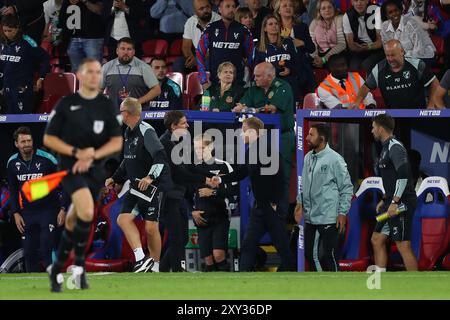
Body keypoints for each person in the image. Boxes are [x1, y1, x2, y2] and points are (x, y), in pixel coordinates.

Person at [44, 58, 123, 292]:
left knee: (76, 216)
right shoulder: (67, 104)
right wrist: (77, 153)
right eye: (89, 72)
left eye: (98, 72)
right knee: (87, 211)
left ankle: (58, 265)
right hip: (70, 166)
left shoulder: (106, 105)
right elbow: (49, 138)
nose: (94, 76)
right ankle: (78, 267)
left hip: (94, 170)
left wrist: (92, 155)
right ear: (78, 75)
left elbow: (116, 142)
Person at [210, 117, 293, 271]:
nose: (241, 135)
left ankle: (291, 271)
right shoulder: (252, 150)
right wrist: (221, 180)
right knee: (249, 243)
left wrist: (274, 202)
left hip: (270, 206)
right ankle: (243, 276)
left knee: (281, 244)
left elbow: (280, 177)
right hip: (260, 207)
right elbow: (243, 172)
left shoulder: (267, 150)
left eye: (244, 132)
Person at [106, 97, 172, 273]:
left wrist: (150, 177)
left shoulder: (146, 131)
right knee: (123, 219)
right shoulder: (128, 131)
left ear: (127, 113)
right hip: (137, 186)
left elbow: (160, 156)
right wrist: (115, 178)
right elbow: (127, 160)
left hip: (152, 186)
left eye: (120, 111)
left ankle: (155, 266)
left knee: (151, 227)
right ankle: (142, 259)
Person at [6, 127, 66, 272]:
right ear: (16, 144)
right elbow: (13, 191)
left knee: (46, 247)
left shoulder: (48, 160)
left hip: (49, 210)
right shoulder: (12, 163)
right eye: (23, 141)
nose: (27, 144)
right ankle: (33, 287)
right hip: (27, 212)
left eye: (29, 140)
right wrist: (16, 213)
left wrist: (63, 209)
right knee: (29, 252)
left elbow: (64, 185)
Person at [294, 123, 353, 271]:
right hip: (311, 217)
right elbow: (304, 185)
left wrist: (342, 213)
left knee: (328, 255)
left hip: (329, 217)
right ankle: (320, 287)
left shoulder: (335, 159)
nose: (307, 138)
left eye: (311, 135)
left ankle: (335, 288)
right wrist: (299, 204)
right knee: (309, 255)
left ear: (322, 138)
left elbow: (346, 188)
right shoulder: (308, 157)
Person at [159, 111, 213, 272]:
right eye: (184, 123)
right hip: (168, 197)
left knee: (182, 237)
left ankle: (162, 271)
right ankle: (177, 270)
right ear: (173, 126)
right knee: (176, 238)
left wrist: (210, 176)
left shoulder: (178, 142)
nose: (187, 125)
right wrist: (204, 180)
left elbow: (189, 167)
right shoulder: (166, 144)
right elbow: (178, 173)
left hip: (178, 196)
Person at [234, 62, 295, 192]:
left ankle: (280, 210)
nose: (254, 78)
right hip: (260, 138)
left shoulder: (283, 86)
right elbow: (240, 108)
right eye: (254, 76)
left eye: (258, 76)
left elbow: (271, 109)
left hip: (281, 136)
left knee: (281, 174)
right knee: (257, 173)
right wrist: (246, 109)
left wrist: (250, 109)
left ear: (270, 76)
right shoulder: (253, 89)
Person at [370, 114, 418, 271]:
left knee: (403, 245)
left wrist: (394, 202)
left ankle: (420, 287)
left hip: (401, 204)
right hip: (391, 202)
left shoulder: (395, 147)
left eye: (373, 127)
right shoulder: (385, 148)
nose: (372, 130)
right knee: (376, 239)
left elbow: (403, 177)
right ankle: (380, 281)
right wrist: (385, 199)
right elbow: (391, 177)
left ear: (381, 129)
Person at [191, 133, 239, 271]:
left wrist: (213, 192)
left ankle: (228, 288)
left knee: (218, 255)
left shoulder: (224, 166)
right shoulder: (193, 168)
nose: (198, 151)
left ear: (210, 147)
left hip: (220, 216)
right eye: (196, 148)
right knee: (208, 259)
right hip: (201, 218)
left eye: (201, 148)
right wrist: (192, 211)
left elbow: (234, 190)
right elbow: (186, 194)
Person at [353, 39, 439, 109]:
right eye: (387, 55)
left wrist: (431, 105)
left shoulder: (417, 64)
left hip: (417, 114)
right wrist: (356, 102)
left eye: (393, 55)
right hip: (393, 116)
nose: (390, 59)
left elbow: (434, 83)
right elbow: (365, 87)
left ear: (402, 51)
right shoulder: (379, 69)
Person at [196, 0, 254, 90]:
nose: (231, 9)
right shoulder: (210, 29)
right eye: (227, 6)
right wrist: (203, 80)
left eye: (233, 6)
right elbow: (200, 53)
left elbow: (251, 56)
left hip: (238, 84)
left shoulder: (244, 30)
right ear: (220, 9)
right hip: (216, 83)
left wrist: (250, 78)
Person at [0, 14, 50, 114]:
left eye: (10, 31)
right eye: (5, 31)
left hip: (23, 89)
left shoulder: (28, 41)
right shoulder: (2, 43)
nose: (7, 34)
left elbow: (45, 57)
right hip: (6, 90)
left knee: (22, 120)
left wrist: (41, 77)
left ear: (17, 28)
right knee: (8, 123)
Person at [101, 37, 161, 111]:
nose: (126, 52)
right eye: (123, 49)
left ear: (134, 52)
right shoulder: (107, 67)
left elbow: (156, 90)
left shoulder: (144, 67)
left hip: (138, 113)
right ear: (117, 51)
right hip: (114, 114)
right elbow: (98, 89)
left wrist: (137, 102)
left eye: (129, 49)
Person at [254, 15, 303, 102]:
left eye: (276, 24)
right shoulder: (259, 48)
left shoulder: (288, 42)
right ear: (265, 28)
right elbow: (256, 71)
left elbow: (298, 63)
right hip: (270, 85)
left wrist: (290, 69)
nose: (274, 26)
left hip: (289, 82)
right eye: (270, 24)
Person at [273, 0, 316, 93]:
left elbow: (312, 48)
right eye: (284, 6)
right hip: (281, 63)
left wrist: (302, 43)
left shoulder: (302, 26)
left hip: (300, 64)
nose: (288, 8)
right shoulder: (274, 27)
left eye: (290, 6)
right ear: (278, 11)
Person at [381, 0, 436, 66]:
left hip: (424, 56)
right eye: (390, 12)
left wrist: (402, 55)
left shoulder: (411, 24)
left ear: (401, 10)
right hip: (400, 58)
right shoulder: (385, 27)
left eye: (396, 10)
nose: (394, 14)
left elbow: (419, 50)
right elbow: (387, 48)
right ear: (386, 15)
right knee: (383, 65)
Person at [58, 0, 105, 72]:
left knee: (93, 70)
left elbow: (101, 10)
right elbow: (61, 18)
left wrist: (85, 1)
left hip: (92, 38)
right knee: (76, 71)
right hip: (72, 38)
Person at [176, 0, 221, 74]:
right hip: (198, 55)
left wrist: (197, 60)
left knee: (207, 63)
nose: (205, 10)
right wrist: (190, 58)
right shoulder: (190, 22)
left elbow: (215, 48)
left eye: (207, 7)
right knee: (179, 64)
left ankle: (207, 85)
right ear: (195, 12)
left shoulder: (219, 21)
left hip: (214, 56)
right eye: (201, 9)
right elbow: (186, 47)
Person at [343, 0, 385, 71]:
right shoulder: (347, 16)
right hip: (359, 50)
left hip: (377, 49)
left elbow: (380, 42)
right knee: (353, 68)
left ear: (367, 1)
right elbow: (351, 45)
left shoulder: (376, 10)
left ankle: (370, 82)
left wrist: (368, 47)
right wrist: (357, 48)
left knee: (366, 65)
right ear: (352, 2)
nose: (359, 3)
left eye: (362, 0)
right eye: (356, 1)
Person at [309, 0, 346, 68]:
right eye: (323, 8)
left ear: (334, 9)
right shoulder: (314, 22)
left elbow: (342, 44)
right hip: (319, 55)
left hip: (337, 53)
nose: (327, 10)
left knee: (334, 62)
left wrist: (324, 59)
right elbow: (312, 44)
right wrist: (316, 58)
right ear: (319, 11)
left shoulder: (339, 19)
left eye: (330, 7)